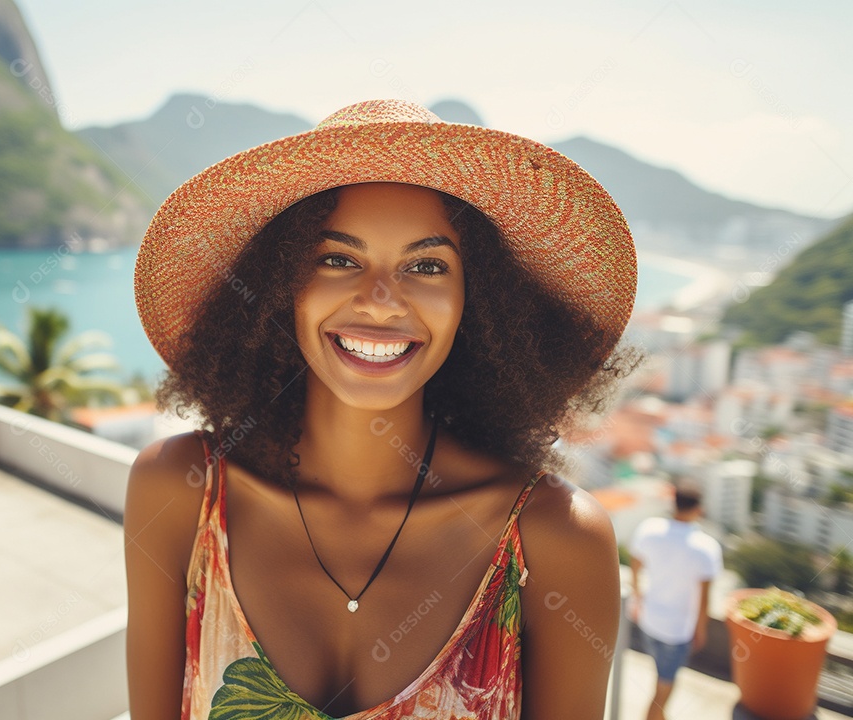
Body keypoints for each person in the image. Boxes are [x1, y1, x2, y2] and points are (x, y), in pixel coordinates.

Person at [125, 99, 640, 720]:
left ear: (477, 303)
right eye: (338, 259)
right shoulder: (179, 490)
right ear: (279, 283)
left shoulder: (555, 539)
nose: (380, 300)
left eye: (426, 266)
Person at [629, 481, 723, 720]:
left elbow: (635, 567)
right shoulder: (706, 548)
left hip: (649, 621)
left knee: (659, 678)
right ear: (699, 509)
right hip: (677, 630)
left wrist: (638, 600)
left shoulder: (649, 529)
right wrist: (700, 630)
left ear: (674, 503)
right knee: (663, 689)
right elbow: (704, 599)